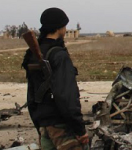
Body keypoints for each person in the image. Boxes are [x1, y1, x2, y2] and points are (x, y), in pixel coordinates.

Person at [22, 8, 89, 150]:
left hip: (44, 125)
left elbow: (31, 96)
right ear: (60, 28)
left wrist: (39, 124)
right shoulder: (59, 55)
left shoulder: (33, 54)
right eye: (64, 26)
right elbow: (66, 96)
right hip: (61, 127)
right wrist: (80, 129)